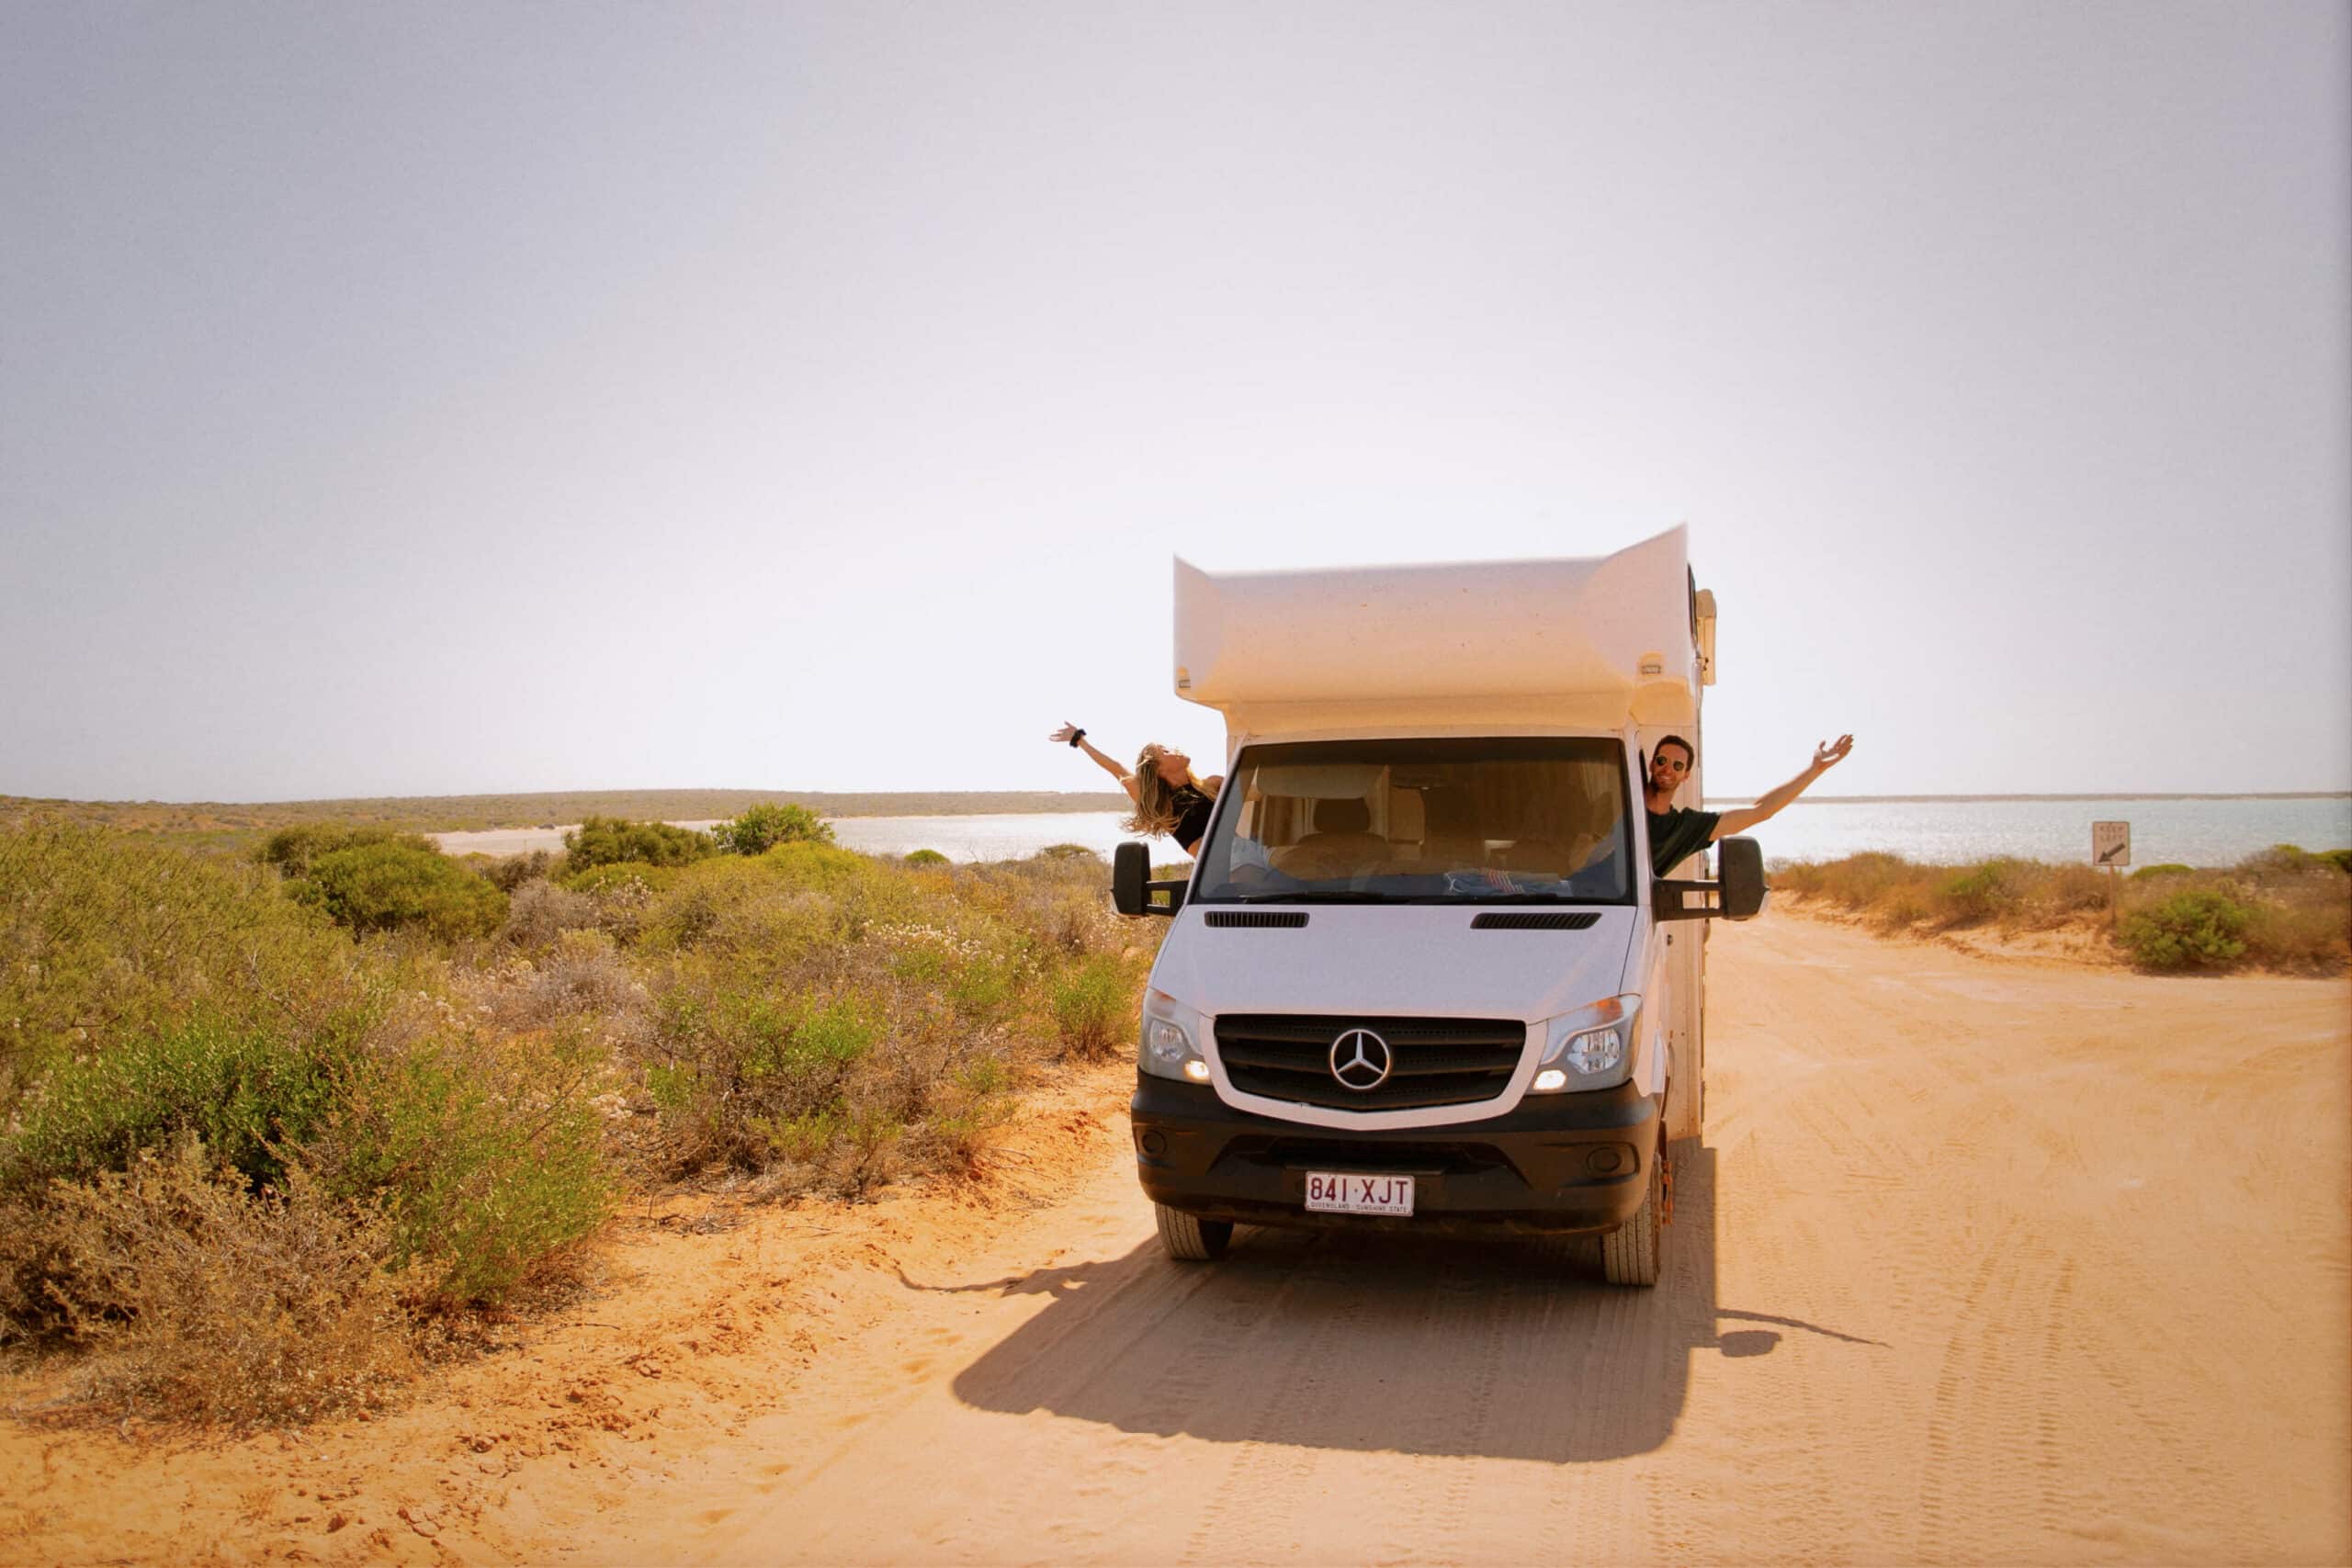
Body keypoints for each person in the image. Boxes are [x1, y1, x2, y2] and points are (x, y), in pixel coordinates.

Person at [1645, 732, 1854, 874]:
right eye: (1662, 761)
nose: (1668, 769)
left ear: (1686, 775)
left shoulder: (1686, 828)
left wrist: (1814, 770)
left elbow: (1761, 811)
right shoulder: (1621, 806)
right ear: (1651, 764)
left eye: (1677, 765)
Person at [1049, 722, 1224, 856]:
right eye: (1166, 752)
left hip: (1243, 853)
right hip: (1221, 867)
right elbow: (1116, 768)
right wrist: (1080, 740)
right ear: (1159, 770)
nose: (1174, 750)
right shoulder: (1164, 806)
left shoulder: (1212, 785)